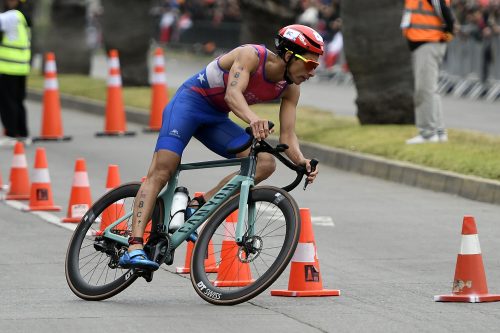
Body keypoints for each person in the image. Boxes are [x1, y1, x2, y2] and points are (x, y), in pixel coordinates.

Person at [119, 24, 323, 270]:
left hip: (215, 120)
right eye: (311, 64)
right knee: (163, 170)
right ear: (289, 54)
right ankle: (134, 245)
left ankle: (196, 206)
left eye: (317, 66)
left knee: (265, 164)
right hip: (189, 105)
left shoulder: (291, 88)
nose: (312, 73)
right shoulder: (251, 55)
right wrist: (252, 119)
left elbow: (288, 134)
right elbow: (232, 94)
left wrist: (301, 160)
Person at [402, 0, 456, 144]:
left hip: (428, 41)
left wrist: (448, 34)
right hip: (425, 42)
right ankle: (438, 132)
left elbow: (444, 11)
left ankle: (428, 133)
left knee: (424, 90)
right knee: (430, 89)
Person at [0, 0, 31, 147]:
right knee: (18, 102)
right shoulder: (23, 17)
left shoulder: (13, 15)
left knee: (8, 103)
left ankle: (12, 134)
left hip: (8, 67)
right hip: (20, 67)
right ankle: (23, 134)